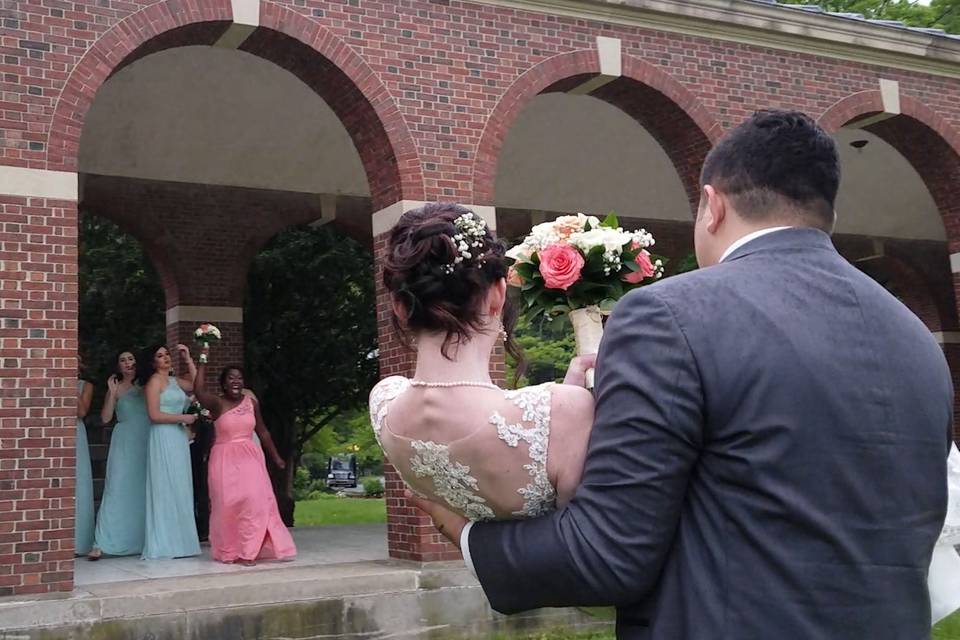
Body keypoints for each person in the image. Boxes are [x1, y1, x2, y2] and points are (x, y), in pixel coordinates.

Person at [403, 112, 955, 639]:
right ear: (824, 211)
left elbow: (605, 557)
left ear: (711, 207)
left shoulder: (668, 315)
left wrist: (464, 530)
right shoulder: (913, 338)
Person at [369, 202, 595, 524]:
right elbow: (584, 538)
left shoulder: (383, 402)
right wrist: (570, 405)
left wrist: (565, 406)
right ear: (497, 294)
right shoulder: (562, 411)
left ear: (399, 306)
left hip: (482, 573)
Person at [193, 349, 295, 565]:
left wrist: (276, 457)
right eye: (231, 378)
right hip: (224, 459)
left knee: (255, 501)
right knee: (228, 506)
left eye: (239, 378)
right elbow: (199, 391)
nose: (236, 382)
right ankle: (230, 549)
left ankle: (249, 551)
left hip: (250, 457)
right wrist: (202, 359)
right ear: (223, 383)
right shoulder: (217, 404)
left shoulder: (251, 402)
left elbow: (263, 431)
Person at [138, 344, 201, 560]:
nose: (165, 358)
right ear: (153, 362)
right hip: (163, 435)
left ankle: (182, 542)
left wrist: (188, 359)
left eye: (167, 354)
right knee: (165, 485)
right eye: (159, 355)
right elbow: (154, 415)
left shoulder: (174, 381)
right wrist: (183, 418)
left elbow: (196, 385)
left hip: (178, 438)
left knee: (180, 485)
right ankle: (165, 542)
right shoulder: (153, 382)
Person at [89, 350, 150, 559]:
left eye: (131, 359)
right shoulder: (115, 387)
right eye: (122, 360)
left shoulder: (147, 385)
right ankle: (103, 542)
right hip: (124, 440)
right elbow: (106, 418)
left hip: (146, 437)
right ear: (118, 366)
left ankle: (142, 539)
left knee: (143, 488)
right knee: (116, 486)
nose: (127, 363)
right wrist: (112, 393)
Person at [74, 354, 95, 557]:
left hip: (76, 431)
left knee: (79, 482)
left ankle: (80, 541)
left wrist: (71, 384)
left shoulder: (85, 386)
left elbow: (81, 412)